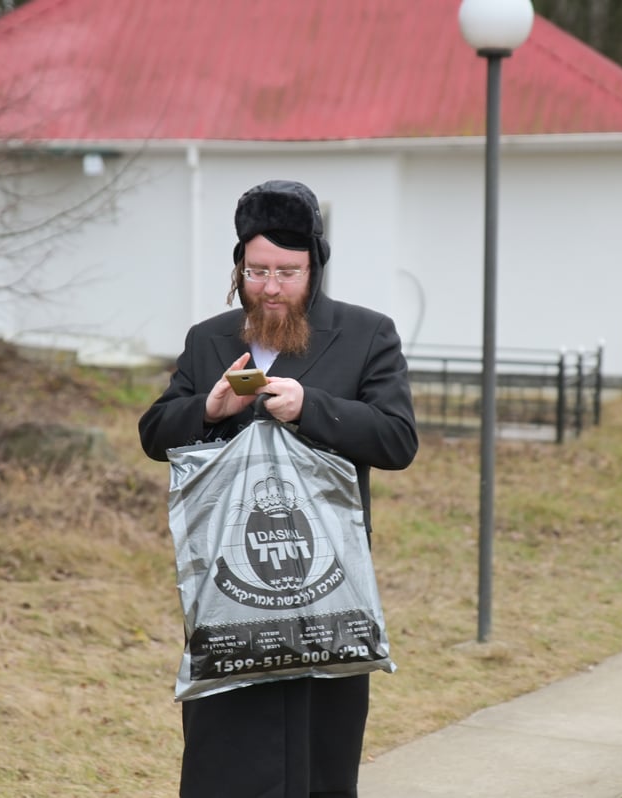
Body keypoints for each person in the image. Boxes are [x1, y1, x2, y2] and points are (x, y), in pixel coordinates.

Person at [138, 178, 419, 798]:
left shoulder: (368, 334)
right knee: (226, 750)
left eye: (287, 272)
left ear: (314, 267)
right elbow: (155, 432)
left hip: (328, 583)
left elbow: (398, 440)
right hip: (228, 582)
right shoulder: (209, 338)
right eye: (256, 270)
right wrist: (207, 410)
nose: (269, 287)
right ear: (238, 267)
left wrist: (311, 406)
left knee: (321, 753)